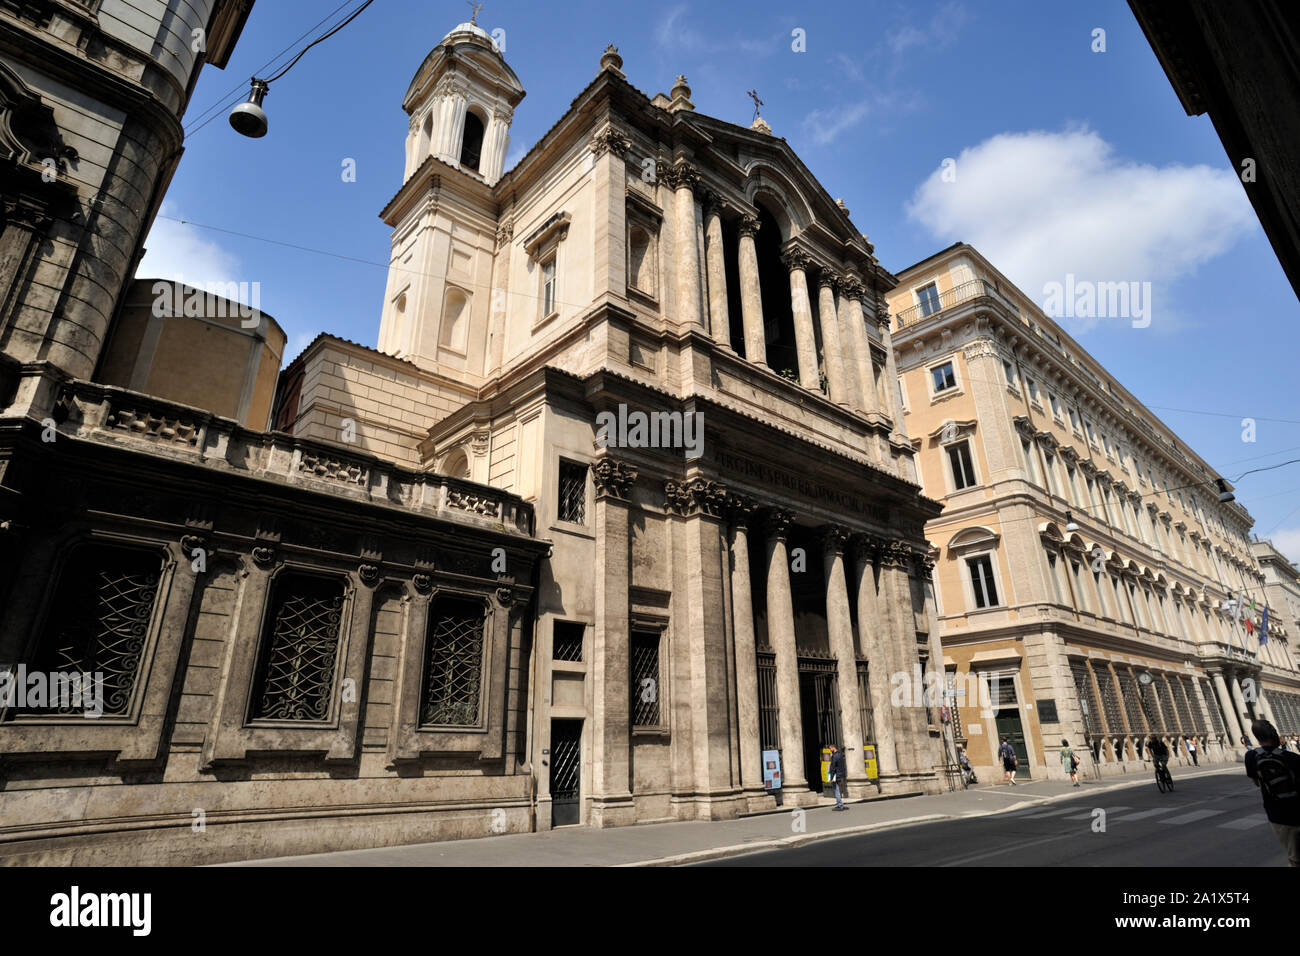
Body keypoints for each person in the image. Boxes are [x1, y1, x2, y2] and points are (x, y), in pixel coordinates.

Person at [1244, 719, 1300, 867]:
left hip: (1277, 814)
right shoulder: (1292, 758)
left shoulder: (1251, 757)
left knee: (1294, 858)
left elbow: (1256, 782)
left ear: (1256, 737)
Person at [828, 743, 848, 811]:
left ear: (833, 748)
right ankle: (839, 804)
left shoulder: (834, 756)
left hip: (835, 775)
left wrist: (830, 777)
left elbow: (833, 767)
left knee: (836, 789)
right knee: (838, 789)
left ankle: (840, 805)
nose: (830, 750)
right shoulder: (840, 754)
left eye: (830, 748)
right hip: (840, 774)